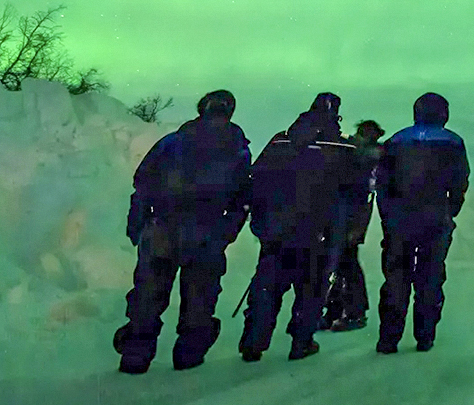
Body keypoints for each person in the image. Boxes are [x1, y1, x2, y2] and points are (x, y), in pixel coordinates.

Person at [115, 89, 251, 374]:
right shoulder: (235, 149)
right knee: (196, 300)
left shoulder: (174, 142)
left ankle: (137, 355)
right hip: (201, 233)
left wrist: (139, 224)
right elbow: (242, 199)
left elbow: (143, 184)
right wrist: (225, 232)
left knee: (150, 296)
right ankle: (185, 356)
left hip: (168, 230)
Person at [239, 93, 362, 361]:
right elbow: (356, 194)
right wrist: (346, 231)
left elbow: (254, 180)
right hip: (319, 234)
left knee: (267, 286)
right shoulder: (341, 150)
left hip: (276, 232)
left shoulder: (280, 142)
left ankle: (253, 341)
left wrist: (261, 220)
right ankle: (301, 342)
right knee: (311, 290)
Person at [376, 92, 470, 354]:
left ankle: (388, 339)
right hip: (435, 219)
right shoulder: (453, 142)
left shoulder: (396, 140)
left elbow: (382, 183)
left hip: (399, 221)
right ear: (443, 114)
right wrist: (450, 210)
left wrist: (388, 216)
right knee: (430, 278)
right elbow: (460, 181)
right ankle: (425, 336)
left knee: (396, 278)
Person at [322, 119, 385, 331]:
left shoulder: (361, 157)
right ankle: (339, 311)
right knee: (342, 263)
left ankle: (352, 312)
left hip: (348, 216)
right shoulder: (367, 157)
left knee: (345, 263)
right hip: (347, 216)